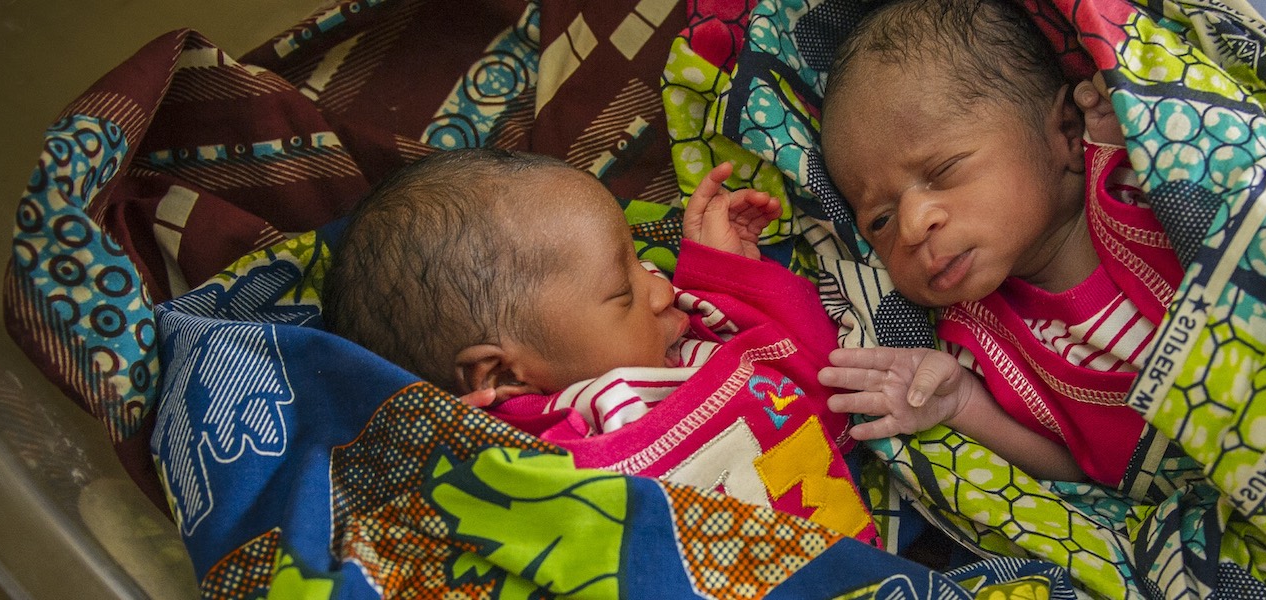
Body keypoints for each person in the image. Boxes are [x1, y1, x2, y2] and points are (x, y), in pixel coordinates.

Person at [325, 148, 875, 541]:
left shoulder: (690, 344)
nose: (662, 286)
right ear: (500, 377)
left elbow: (821, 382)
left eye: (642, 261)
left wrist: (726, 275)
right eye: (622, 291)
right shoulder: (526, 462)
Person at [817, 0, 1172, 486]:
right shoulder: (975, 342)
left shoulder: (1140, 182)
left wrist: (1137, 123)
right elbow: (1088, 475)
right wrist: (963, 403)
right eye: (880, 220)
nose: (912, 225)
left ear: (1066, 132)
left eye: (943, 171)